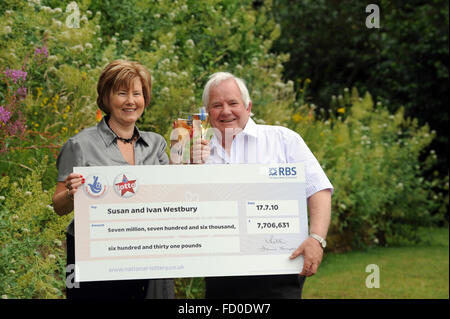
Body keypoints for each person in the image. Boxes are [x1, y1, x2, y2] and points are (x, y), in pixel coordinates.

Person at [202, 72, 333, 299]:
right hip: (220, 272)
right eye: (216, 105)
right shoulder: (198, 153)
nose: (225, 111)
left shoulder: (283, 139)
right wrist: (185, 163)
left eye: (233, 103)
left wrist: (316, 239)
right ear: (206, 113)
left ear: (248, 106)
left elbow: (318, 189)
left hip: (279, 268)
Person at [52, 60, 174, 299]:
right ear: (106, 98)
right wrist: (70, 193)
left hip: (146, 253)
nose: (131, 101)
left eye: (137, 93)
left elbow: (167, 197)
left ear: (145, 99)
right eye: (122, 93)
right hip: (92, 255)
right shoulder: (79, 145)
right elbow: (58, 207)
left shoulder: (156, 144)